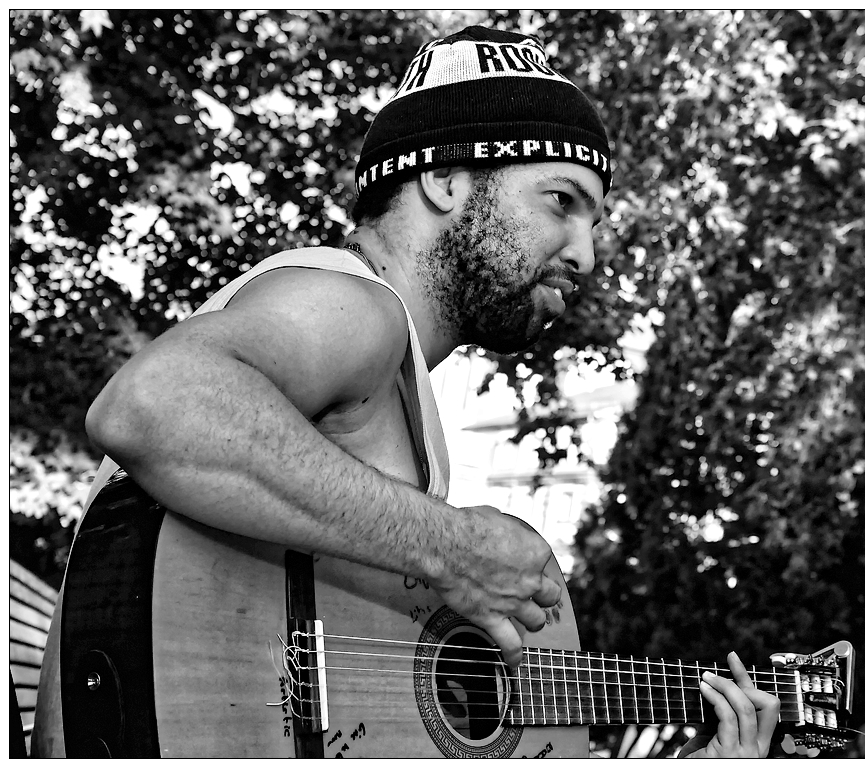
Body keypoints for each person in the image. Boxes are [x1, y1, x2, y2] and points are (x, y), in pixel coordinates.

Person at [42, 26, 779, 757]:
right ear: (446, 179)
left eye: (594, 222)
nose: (585, 253)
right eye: (561, 200)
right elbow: (150, 404)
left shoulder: (384, 375)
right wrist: (452, 548)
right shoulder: (355, 307)